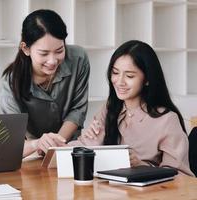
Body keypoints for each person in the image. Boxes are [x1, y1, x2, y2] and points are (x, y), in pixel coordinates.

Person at [69, 40, 193, 176]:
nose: (119, 81)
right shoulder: (110, 108)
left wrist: (141, 165)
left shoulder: (167, 120)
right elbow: (82, 147)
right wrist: (52, 147)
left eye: (129, 76)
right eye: (115, 73)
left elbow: (180, 177)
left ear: (147, 79)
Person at [0, 9, 90, 157]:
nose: (53, 61)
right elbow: (13, 144)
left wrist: (55, 146)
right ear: (26, 49)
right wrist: (38, 144)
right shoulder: (11, 82)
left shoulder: (78, 59)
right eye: (44, 53)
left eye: (60, 50)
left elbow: (77, 110)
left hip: (69, 148)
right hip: (33, 151)